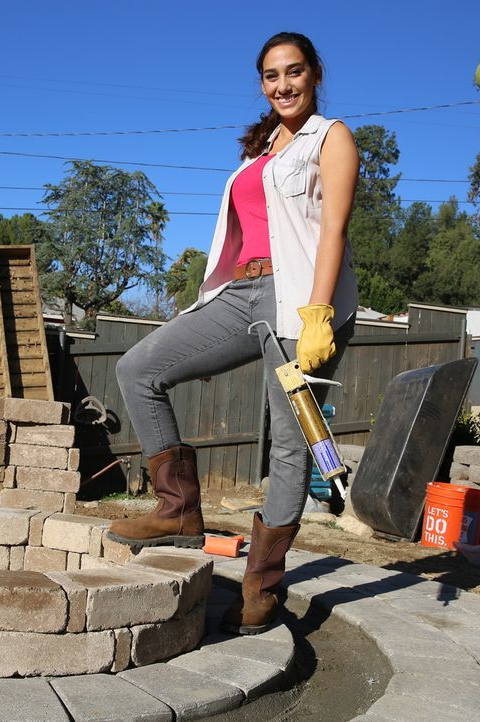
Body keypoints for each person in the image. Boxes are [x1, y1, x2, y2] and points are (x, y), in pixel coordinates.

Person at [106, 31, 359, 635]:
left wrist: (317, 311)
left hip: (300, 299)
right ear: (262, 84)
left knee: (291, 445)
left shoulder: (333, 137)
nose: (283, 85)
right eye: (272, 76)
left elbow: (333, 231)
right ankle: (178, 509)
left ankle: (262, 583)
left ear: (315, 74)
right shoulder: (261, 150)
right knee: (136, 369)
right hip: (240, 292)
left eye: (294, 72)